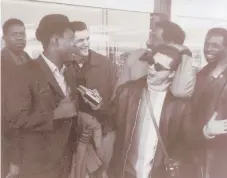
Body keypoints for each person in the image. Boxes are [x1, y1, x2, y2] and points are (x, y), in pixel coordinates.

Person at [4, 14, 79, 178]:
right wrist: (54, 115)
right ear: (55, 40)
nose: (75, 43)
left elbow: (70, 114)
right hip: (37, 167)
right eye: (71, 38)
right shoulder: (24, 73)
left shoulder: (69, 73)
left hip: (65, 163)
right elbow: (14, 120)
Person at [109, 44, 198, 178]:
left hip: (157, 173)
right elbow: (111, 124)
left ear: (171, 73)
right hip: (125, 172)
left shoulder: (180, 106)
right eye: (151, 62)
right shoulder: (127, 92)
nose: (151, 68)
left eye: (159, 67)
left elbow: (185, 145)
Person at [68, 21, 117, 177]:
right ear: (70, 43)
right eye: (80, 40)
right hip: (74, 137)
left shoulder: (105, 64)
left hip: (102, 133)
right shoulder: (64, 66)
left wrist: (100, 106)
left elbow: (117, 104)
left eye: (87, 38)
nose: (86, 44)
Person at [116, 13, 195, 98]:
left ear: (172, 45)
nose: (148, 42)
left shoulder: (183, 68)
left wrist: (185, 54)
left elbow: (180, 92)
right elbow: (118, 94)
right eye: (151, 36)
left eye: (155, 39)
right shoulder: (135, 58)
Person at [192, 28, 227, 178]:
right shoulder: (204, 71)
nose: (208, 49)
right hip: (203, 142)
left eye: (215, 45)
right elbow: (196, 101)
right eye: (207, 44)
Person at [1, 18, 31, 178]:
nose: (20, 38)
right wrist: (14, 157)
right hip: (9, 139)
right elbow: (7, 115)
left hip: (29, 136)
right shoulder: (2, 64)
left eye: (22, 34)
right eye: (14, 34)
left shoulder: (28, 59)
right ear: (4, 38)